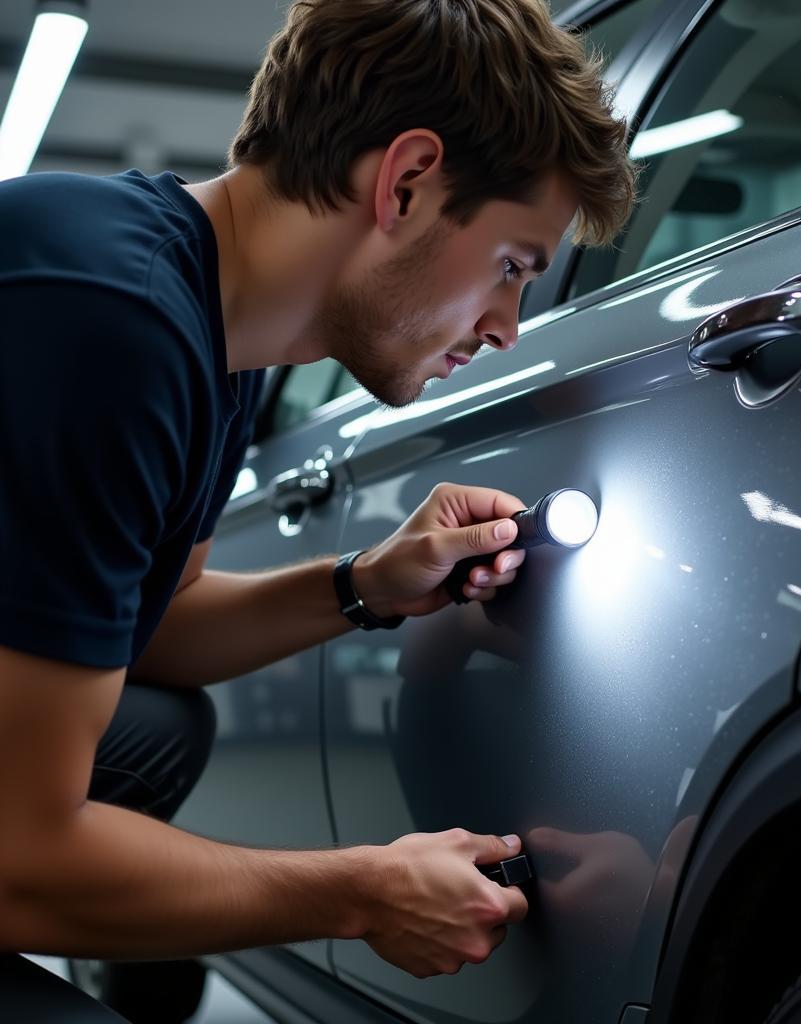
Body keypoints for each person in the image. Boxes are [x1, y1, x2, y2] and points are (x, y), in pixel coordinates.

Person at [0, 0, 636, 1004]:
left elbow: (144, 631)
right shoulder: (108, 326)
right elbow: (19, 855)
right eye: (512, 267)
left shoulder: (213, 332)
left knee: (159, 726)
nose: (508, 325)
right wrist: (361, 891)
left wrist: (368, 584)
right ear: (409, 182)